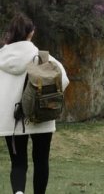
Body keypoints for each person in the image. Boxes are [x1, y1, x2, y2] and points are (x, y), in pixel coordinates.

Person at [0, 14, 70, 194]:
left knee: (18, 163)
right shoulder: (44, 58)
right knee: (41, 161)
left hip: (11, 119)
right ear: (31, 33)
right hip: (42, 115)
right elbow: (64, 81)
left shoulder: (1, 58)